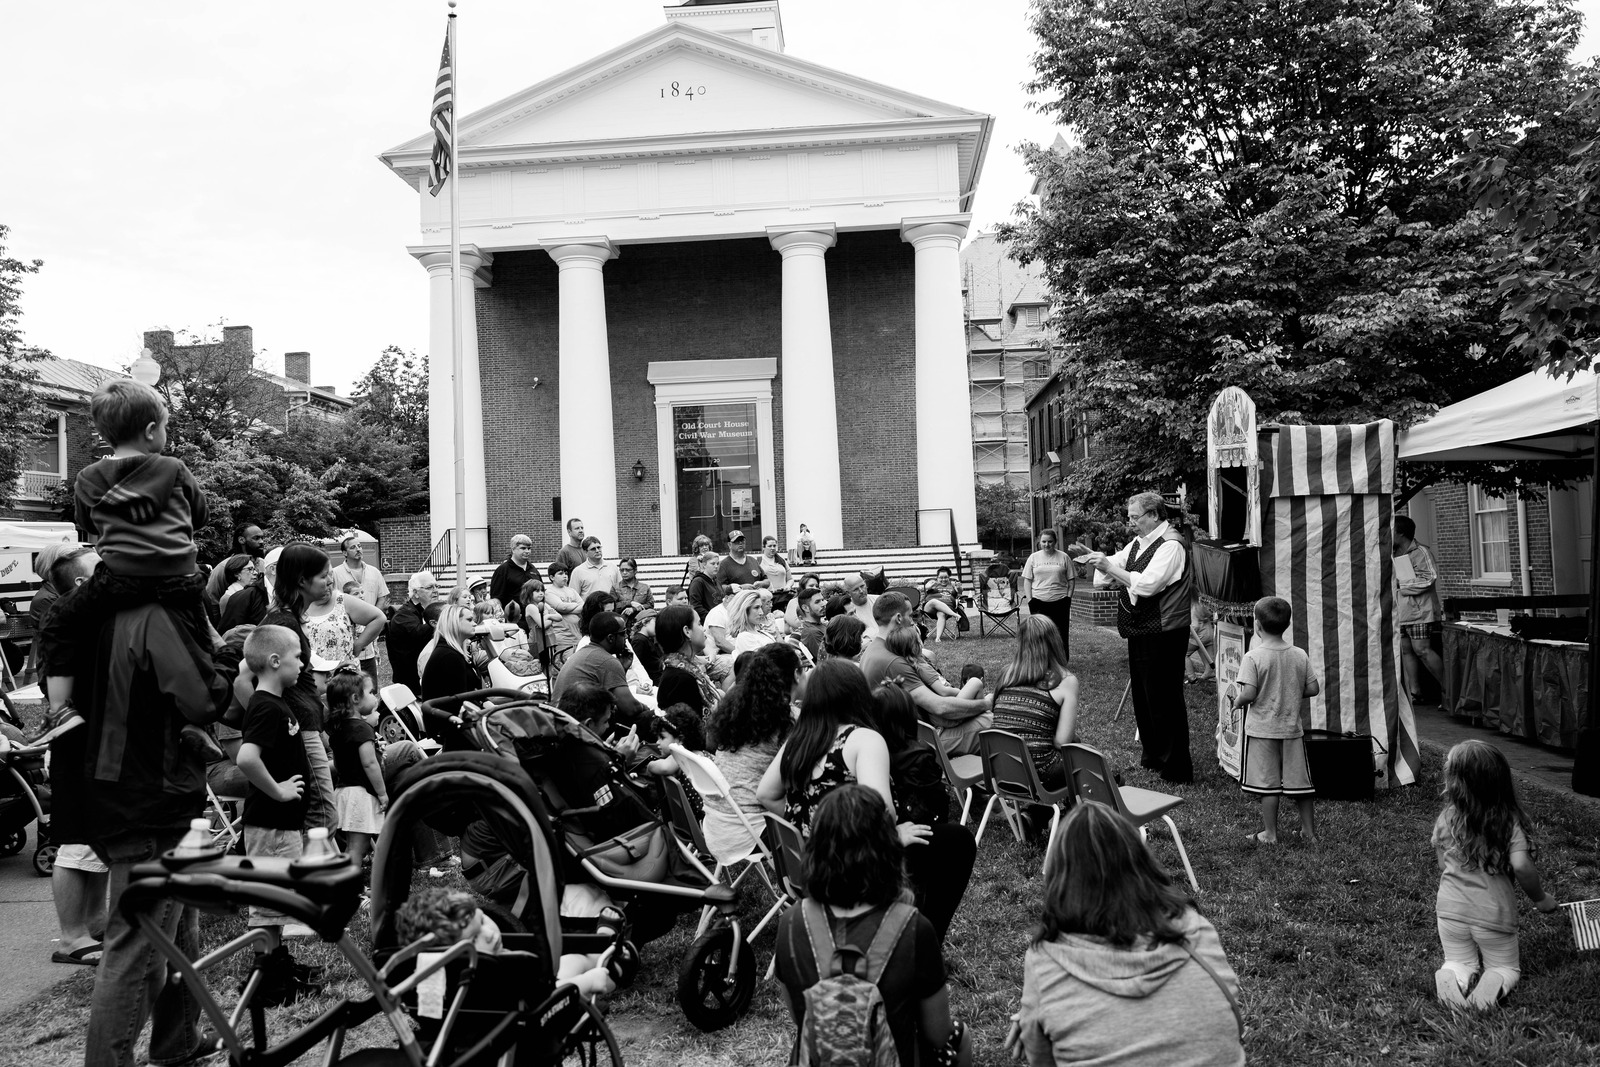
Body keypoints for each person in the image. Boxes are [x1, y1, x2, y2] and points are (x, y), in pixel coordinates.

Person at [47, 539, 247, 1066]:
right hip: (144, 797)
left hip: (122, 793)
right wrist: (226, 652)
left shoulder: (75, 626)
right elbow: (204, 696)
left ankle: (178, 1040)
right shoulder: (141, 619)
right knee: (136, 945)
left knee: (181, 927)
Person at [38, 377, 210, 743]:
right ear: (151, 431)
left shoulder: (88, 478)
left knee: (58, 622)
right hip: (181, 579)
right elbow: (200, 514)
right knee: (200, 638)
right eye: (165, 427)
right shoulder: (174, 469)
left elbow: (86, 523)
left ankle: (59, 709)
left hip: (119, 579)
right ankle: (198, 719)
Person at [1009, 803, 1244, 1067]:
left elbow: (1043, 1059)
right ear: (1139, 861)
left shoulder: (1045, 960)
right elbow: (1229, 1020)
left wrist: (1039, 1020)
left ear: (1060, 878)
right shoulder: (1197, 929)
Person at [774, 784, 969, 1067]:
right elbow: (938, 1035)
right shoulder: (913, 928)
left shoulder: (791, 923)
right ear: (887, 850)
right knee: (958, 1038)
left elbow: (798, 1017)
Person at [1432, 740, 1562, 1009]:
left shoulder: (1447, 817)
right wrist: (1540, 899)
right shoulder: (1509, 821)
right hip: (1493, 915)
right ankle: (1495, 980)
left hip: (1449, 911)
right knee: (1505, 966)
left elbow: (1443, 865)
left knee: (1459, 960)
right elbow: (1523, 866)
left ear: (1455, 782)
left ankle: (1452, 975)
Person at [1084, 491, 1195, 783]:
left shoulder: (1172, 545)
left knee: (1166, 697)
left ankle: (1177, 767)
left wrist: (1111, 568)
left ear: (1155, 515)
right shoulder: (1137, 544)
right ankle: (1154, 756)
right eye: (1130, 517)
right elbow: (1104, 577)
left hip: (1166, 630)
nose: (1131, 523)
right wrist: (1102, 563)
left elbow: (1147, 586)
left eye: (1136, 517)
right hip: (1140, 629)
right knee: (1144, 697)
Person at [235, 624, 316, 1006]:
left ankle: (278, 964)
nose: (302, 662)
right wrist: (280, 790)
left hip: (280, 825)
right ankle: (265, 982)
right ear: (273, 661)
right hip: (270, 824)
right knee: (268, 906)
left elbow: (241, 681)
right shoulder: (267, 707)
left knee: (277, 901)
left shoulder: (267, 699)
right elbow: (247, 758)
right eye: (297, 656)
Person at [867, 685, 976, 941]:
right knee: (956, 842)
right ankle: (929, 936)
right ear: (908, 716)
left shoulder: (869, 750)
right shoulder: (918, 755)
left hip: (886, 838)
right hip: (912, 838)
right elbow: (937, 807)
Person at [1227, 596, 1320, 846]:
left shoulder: (1253, 657)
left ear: (1257, 625)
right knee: (1301, 784)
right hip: (1292, 729)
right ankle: (1308, 833)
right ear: (1287, 625)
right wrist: (1289, 691)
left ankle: (1270, 833)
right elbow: (1313, 688)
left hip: (1262, 730)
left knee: (1267, 785)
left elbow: (1249, 693)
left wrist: (1237, 702)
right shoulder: (1299, 654)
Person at [263, 544, 342, 831]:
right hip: (300, 727)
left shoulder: (290, 619)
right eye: (323, 576)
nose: (330, 581)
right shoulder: (282, 623)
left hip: (308, 724)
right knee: (321, 816)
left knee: (321, 815)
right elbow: (248, 675)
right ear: (301, 581)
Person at [699, 643, 799, 864]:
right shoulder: (788, 717)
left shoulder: (735, 704)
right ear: (797, 674)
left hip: (715, 827)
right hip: (751, 834)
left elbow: (710, 743)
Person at [862, 595, 992, 757]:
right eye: (911, 615)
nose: (913, 622)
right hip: (918, 742)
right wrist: (985, 704)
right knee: (996, 723)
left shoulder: (874, 649)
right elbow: (941, 707)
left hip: (904, 735)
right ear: (898, 618)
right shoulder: (893, 661)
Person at [992, 615, 1079, 789]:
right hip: (1040, 774)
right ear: (1054, 641)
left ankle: (1031, 815)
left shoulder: (1006, 675)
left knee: (1077, 747)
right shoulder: (1066, 680)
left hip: (1003, 772)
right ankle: (1076, 813)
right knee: (1095, 767)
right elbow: (1062, 742)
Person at [325, 669, 386, 873]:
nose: (374, 697)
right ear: (355, 698)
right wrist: (382, 793)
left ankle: (349, 883)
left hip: (344, 792)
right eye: (371, 692)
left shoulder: (339, 728)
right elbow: (370, 764)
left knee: (353, 847)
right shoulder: (361, 730)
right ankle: (352, 888)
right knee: (356, 850)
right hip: (361, 795)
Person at [551, 611, 651, 731]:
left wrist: (621, 669)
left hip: (563, 722)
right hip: (578, 728)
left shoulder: (588, 652)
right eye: (623, 633)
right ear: (610, 638)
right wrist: (648, 710)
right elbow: (630, 708)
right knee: (648, 718)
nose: (626, 637)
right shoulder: (606, 661)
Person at [1395, 514, 1445, 705]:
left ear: (1400, 533)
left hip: (1420, 610)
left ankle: (1448, 692)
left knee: (1422, 650)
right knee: (1406, 650)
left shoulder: (1421, 551)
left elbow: (1429, 578)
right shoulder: (1394, 553)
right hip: (1401, 610)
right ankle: (1415, 692)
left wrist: (1401, 585)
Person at [302, 581, 386, 684]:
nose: (329, 580)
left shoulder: (342, 600)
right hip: (309, 680)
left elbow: (379, 618)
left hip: (345, 679)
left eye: (329, 574)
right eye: (322, 576)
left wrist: (358, 644)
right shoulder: (295, 603)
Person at [654, 603, 722, 716]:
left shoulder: (686, 669)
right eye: (699, 624)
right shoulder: (680, 679)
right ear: (687, 631)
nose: (703, 629)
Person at [1021, 529, 1076, 659]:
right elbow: (1027, 581)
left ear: (1055, 542)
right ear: (1039, 542)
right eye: (1044, 542)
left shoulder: (1064, 557)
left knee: (1061, 633)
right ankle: (1041, 660)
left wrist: (1068, 598)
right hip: (1038, 601)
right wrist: (1030, 600)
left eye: (1050, 541)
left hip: (1060, 601)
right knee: (1039, 634)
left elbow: (1071, 580)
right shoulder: (1033, 558)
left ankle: (1061, 660)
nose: (1047, 545)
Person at [386, 570, 439, 694]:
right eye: (430, 587)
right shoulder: (404, 615)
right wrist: (443, 618)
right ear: (415, 593)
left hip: (429, 672)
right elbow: (420, 634)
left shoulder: (427, 610)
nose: (436, 590)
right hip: (412, 683)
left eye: (437, 586)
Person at [421, 602, 483, 701]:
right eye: (469, 620)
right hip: (450, 715)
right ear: (454, 623)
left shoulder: (452, 651)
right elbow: (459, 701)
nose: (475, 624)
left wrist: (485, 703)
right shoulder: (448, 656)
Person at [489, 533, 535, 611]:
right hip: (513, 618)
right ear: (513, 549)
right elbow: (496, 599)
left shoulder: (533, 569)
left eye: (529, 548)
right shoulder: (503, 570)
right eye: (523, 548)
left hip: (534, 618)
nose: (527, 551)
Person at [725, 589, 774, 658]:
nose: (761, 612)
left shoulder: (762, 632)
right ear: (745, 610)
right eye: (756, 608)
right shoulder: (744, 636)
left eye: (761, 607)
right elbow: (761, 663)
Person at [922, 566, 964, 642]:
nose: (943, 579)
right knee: (934, 601)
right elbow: (926, 587)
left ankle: (938, 638)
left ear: (949, 577)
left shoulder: (953, 584)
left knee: (941, 614)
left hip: (946, 609)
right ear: (937, 577)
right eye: (941, 577)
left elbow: (960, 592)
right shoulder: (932, 583)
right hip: (930, 609)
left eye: (946, 577)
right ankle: (955, 615)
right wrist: (931, 585)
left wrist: (959, 587)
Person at [571, 536, 620, 600]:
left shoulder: (613, 567)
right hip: (589, 609)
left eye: (599, 547)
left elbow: (620, 591)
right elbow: (574, 597)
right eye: (593, 549)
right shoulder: (578, 571)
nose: (597, 551)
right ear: (585, 552)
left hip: (610, 608)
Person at [545, 564, 583, 641]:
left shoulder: (572, 590)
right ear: (552, 577)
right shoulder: (549, 592)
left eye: (566, 573)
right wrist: (576, 605)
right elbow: (562, 607)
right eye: (560, 573)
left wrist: (567, 609)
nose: (565, 576)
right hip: (562, 635)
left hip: (577, 633)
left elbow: (583, 607)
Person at [791, 585, 828, 661]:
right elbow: (826, 660)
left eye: (823, 600)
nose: (823, 604)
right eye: (817, 602)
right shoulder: (811, 632)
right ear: (805, 608)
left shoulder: (822, 625)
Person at [839, 573, 880, 641]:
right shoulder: (849, 610)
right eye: (856, 589)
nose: (861, 591)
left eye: (862, 586)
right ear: (848, 593)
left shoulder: (879, 600)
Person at [687, 547, 723, 623]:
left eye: (717, 563)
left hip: (720, 621)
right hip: (707, 623)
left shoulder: (717, 581)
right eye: (712, 563)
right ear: (704, 565)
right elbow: (696, 606)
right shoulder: (698, 581)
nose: (716, 566)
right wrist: (710, 619)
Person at [613, 556, 655, 621]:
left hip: (641, 623)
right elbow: (612, 606)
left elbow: (650, 605)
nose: (624, 572)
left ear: (635, 570)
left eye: (628, 570)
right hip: (622, 623)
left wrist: (634, 609)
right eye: (622, 570)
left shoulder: (645, 587)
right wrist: (629, 603)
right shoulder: (615, 587)